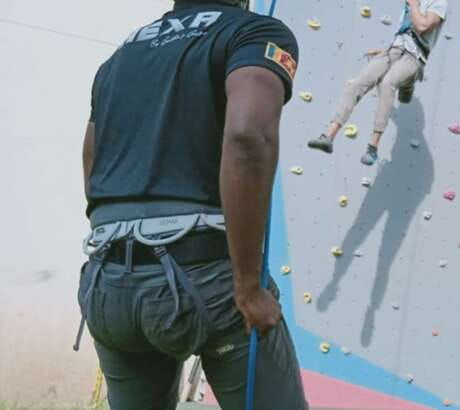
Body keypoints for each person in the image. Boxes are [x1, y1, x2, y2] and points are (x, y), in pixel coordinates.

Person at [76, 0, 306, 408]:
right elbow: (248, 138)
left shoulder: (123, 54)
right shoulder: (253, 33)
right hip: (205, 278)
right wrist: (248, 287)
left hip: (108, 283)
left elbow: (92, 154)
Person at [307, 0, 448, 165]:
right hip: (394, 50)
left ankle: (372, 148)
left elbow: (422, 27)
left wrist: (413, 5)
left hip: (415, 57)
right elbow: (405, 34)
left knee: (387, 83)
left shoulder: (438, 3)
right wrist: (384, 52)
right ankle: (328, 137)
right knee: (358, 83)